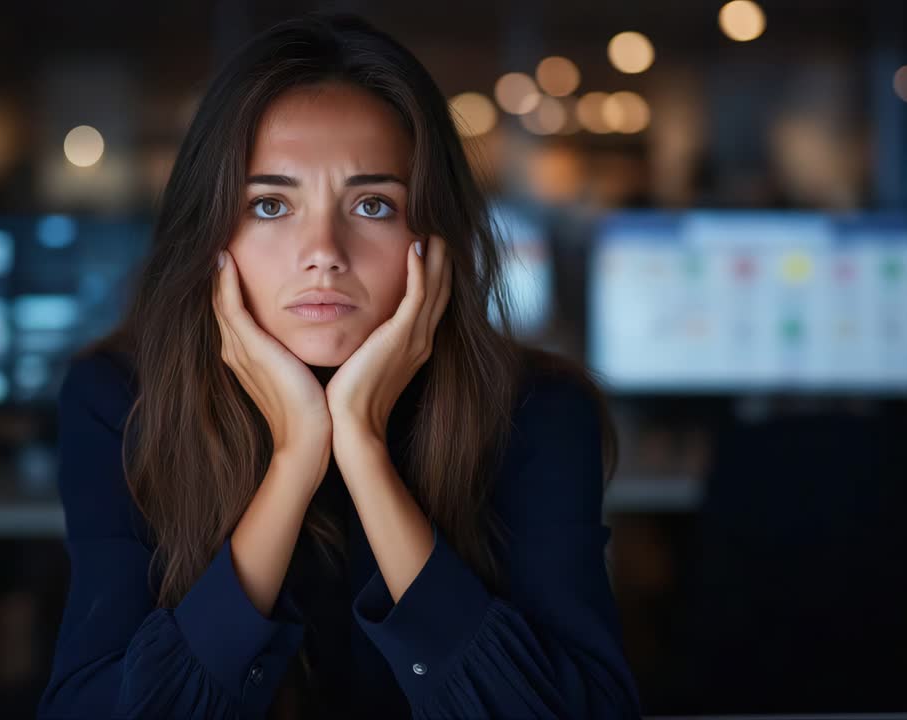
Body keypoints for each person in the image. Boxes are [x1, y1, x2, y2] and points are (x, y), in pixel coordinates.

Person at [38, 11, 642, 719]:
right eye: (270, 204)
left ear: (433, 241)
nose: (323, 250)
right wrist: (296, 457)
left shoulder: (538, 410)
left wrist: (363, 445)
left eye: (372, 204)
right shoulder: (120, 400)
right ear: (208, 239)